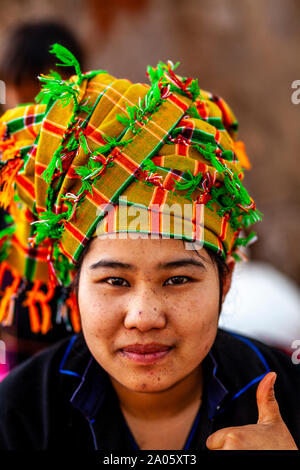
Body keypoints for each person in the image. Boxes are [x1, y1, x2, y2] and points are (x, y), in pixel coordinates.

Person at [0, 45, 298, 451]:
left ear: (225, 280)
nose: (144, 317)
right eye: (115, 280)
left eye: (177, 278)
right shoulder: (19, 416)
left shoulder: (290, 400)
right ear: (71, 281)